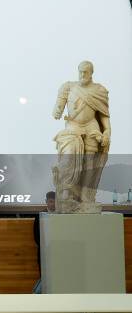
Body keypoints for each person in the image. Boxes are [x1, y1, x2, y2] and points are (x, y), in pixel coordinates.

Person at [52, 60, 110, 213]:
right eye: (81, 72)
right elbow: (58, 107)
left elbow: (104, 116)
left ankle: (85, 196)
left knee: (90, 161)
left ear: (92, 73)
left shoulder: (99, 90)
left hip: (91, 125)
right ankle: (66, 194)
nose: (83, 75)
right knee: (70, 156)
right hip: (73, 126)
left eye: (86, 72)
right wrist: (57, 110)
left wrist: (107, 132)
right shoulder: (68, 87)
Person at [32, 191, 56, 294]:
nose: (53, 204)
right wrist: (45, 248)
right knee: (44, 277)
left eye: (55, 202)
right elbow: (36, 236)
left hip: (57, 252)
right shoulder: (40, 216)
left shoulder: (61, 215)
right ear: (46, 202)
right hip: (44, 252)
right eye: (51, 201)